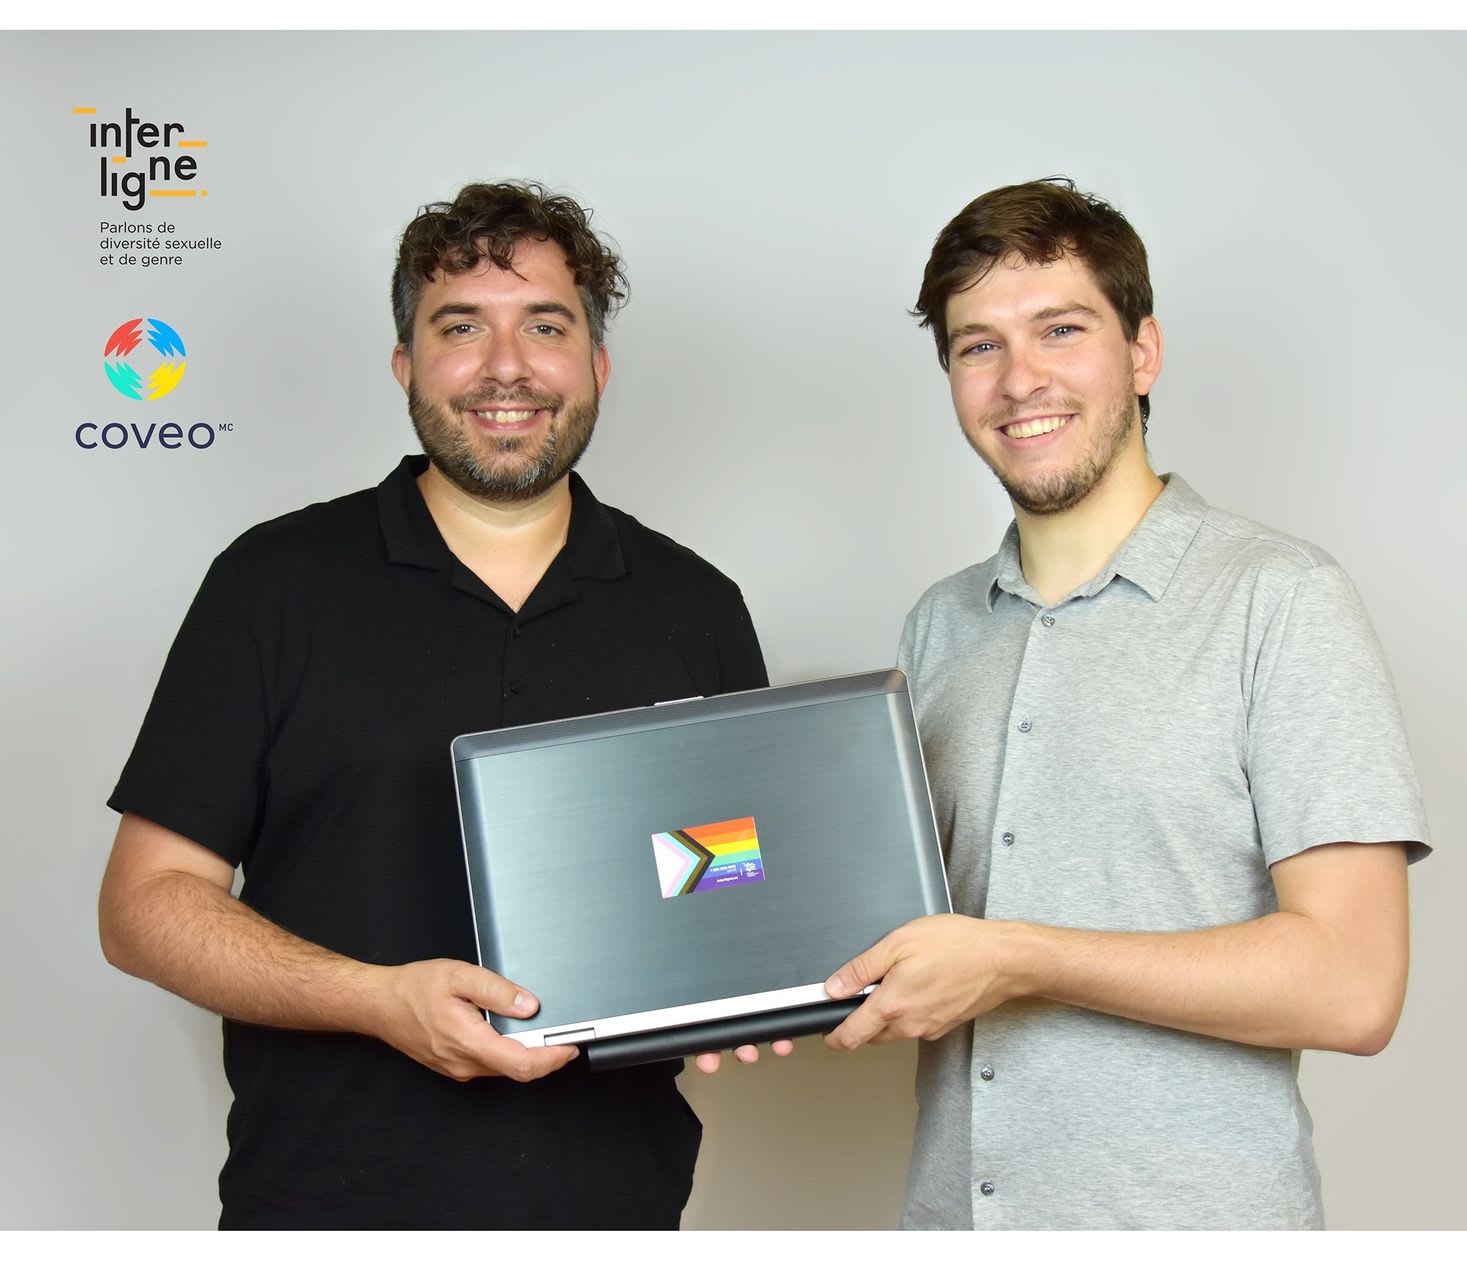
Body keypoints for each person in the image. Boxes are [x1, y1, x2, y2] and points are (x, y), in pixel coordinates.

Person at [97, 181, 773, 1229]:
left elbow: (732, 873)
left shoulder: (696, 606)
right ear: (406, 364)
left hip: (615, 1210)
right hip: (315, 1211)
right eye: (461, 327)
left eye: (545, 325)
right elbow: (144, 904)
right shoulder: (271, 584)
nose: (507, 366)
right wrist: (377, 1000)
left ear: (596, 365)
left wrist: (747, 975)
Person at [822, 178, 1432, 1229]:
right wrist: (717, 983)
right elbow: (897, 928)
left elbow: (1353, 984)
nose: (1019, 379)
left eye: (1060, 329)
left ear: (1142, 352)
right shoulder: (938, 626)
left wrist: (1022, 958)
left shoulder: (1281, 599)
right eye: (978, 345)